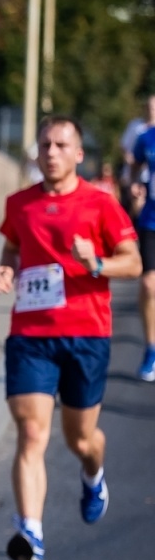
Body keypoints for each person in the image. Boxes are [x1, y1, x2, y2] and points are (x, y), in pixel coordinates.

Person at [0, 116, 141, 560]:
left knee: (81, 438)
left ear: (78, 154)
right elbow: (12, 248)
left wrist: (96, 263)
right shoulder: (19, 203)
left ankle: (93, 474)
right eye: (44, 145)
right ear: (36, 153)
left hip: (86, 333)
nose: (51, 152)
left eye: (61, 145)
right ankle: (30, 533)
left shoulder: (100, 203)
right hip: (31, 335)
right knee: (32, 432)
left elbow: (132, 263)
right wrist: (6, 269)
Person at [125, 119, 155, 380]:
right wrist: (134, 185)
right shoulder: (146, 138)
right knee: (148, 285)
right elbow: (134, 167)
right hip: (151, 221)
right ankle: (151, 348)